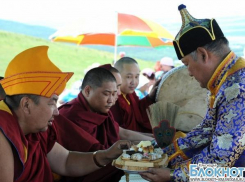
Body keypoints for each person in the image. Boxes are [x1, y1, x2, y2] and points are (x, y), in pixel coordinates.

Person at [140, 4, 245, 182]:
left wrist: (173, 175)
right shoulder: (227, 81)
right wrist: (162, 152)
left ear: (203, 55)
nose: (188, 72)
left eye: (187, 63)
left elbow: (221, 161)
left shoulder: (236, 90)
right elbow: (205, 131)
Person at [0, 46, 131, 182]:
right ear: (26, 105)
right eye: (52, 103)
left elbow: (65, 161)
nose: (57, 112)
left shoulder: (34, 128)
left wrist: (106, 155)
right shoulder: (4, 133)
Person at [54, 66, 153, 182]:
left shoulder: (101, 109)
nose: (111, 100)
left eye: (114, 94)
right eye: (106, 94)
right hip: (90, 172)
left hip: (110, 165)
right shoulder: (70, 115)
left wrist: (153, 141)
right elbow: (95, 152)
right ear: (87, 91)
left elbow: (120, 132)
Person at [111, 57, 160, 133]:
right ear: (117, 77)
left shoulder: (130, 94)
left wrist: (150, 97)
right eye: (129, 77)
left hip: (138, 136)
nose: (134, 82)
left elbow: (139, 110)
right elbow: (120, 133)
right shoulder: (113, 100)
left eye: (137, 76)